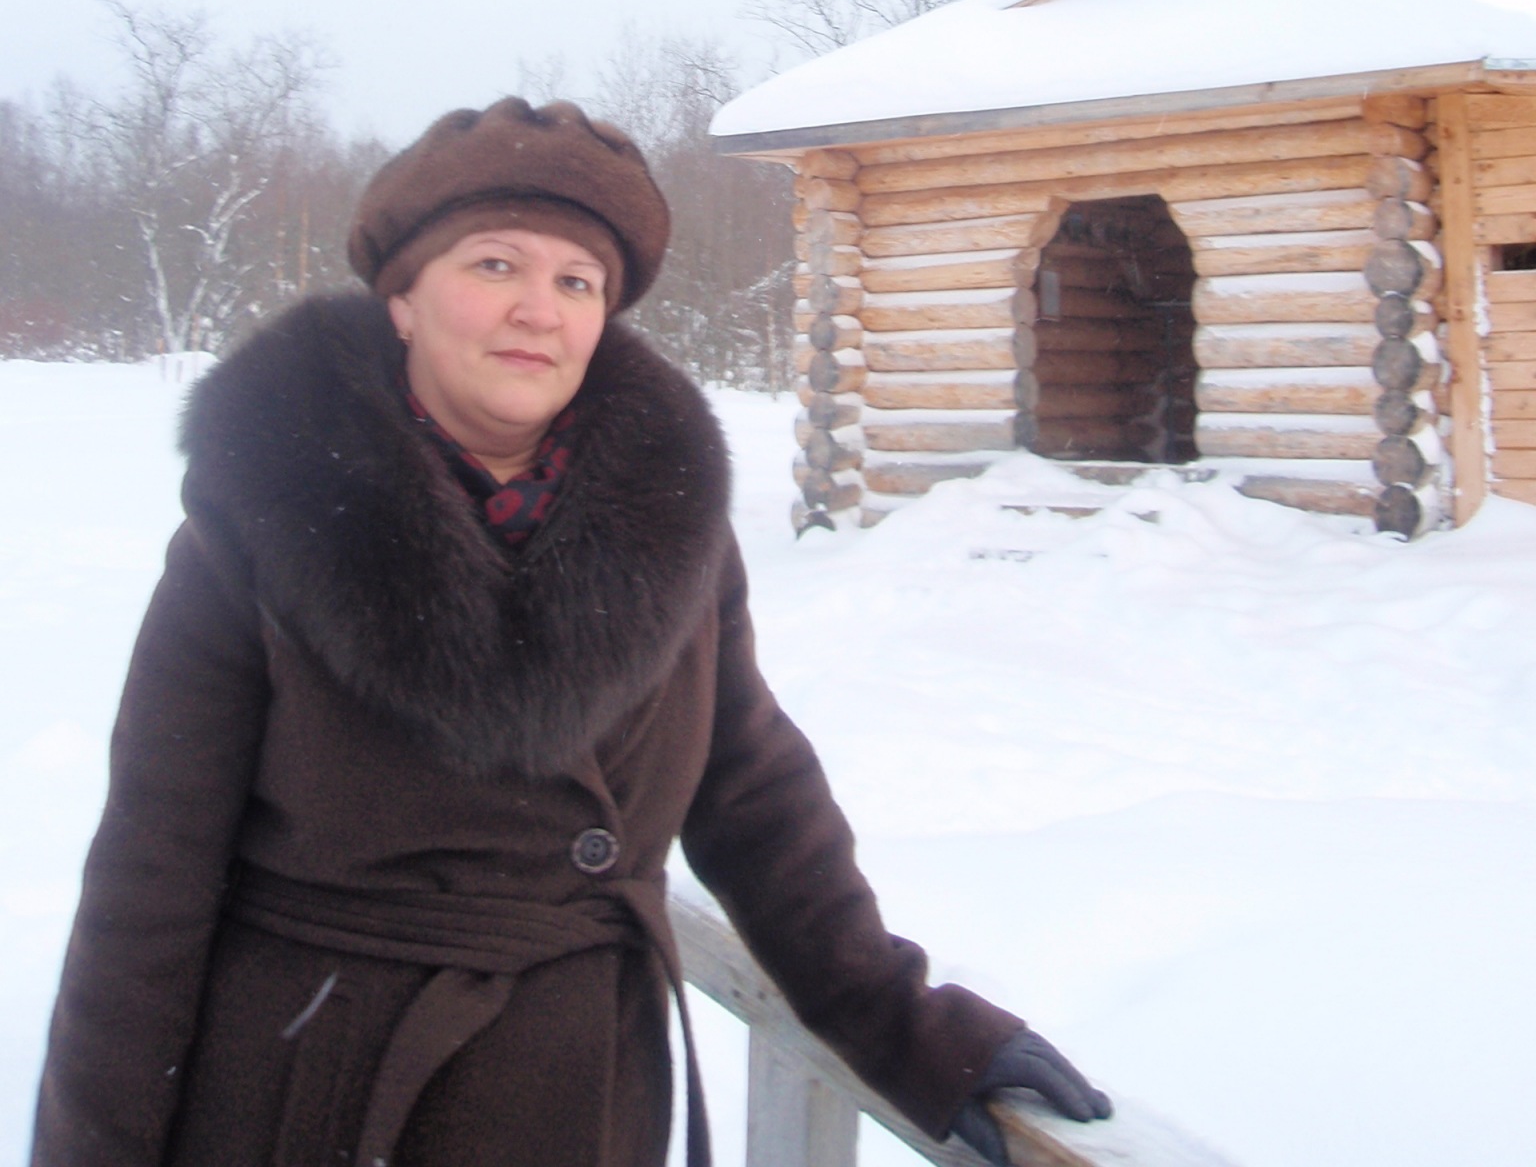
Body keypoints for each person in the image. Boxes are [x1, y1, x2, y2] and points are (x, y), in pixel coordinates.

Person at [32, 98, 1111, 1167]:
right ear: (403, 298)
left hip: (584, 1094)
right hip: (320, 1089)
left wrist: (909, 1026)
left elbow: (750, 786)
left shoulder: (670, 519)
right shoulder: (265, 516)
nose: (537, 310)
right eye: (494, 264)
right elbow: (149, 877)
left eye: (576, 281)